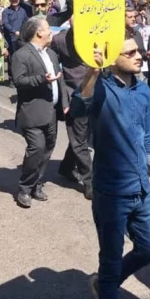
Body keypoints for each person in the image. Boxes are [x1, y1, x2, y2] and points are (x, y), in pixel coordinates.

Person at [71, 38, 150, 299]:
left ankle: (104, 283)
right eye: (130, 52)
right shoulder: (101, 89)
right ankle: (108, 286)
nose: (139, 56)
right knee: (110, 262)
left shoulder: (143, 90)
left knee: (148, 250)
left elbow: (147, 135)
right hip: (111, 192)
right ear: (113, 58)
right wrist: (93, 71)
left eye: (139, 50)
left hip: (142, 188)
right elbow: (77, 107)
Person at [10, 16, 62, 209]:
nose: (51, 33)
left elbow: (60, 80)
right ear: (39, 32)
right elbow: (19, 81)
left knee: (48, 149)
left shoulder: (52, 54)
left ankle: (37, 184)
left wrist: (64, 103)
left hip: (51, 112)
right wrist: (41, 79)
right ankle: (24, 187)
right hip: (32, 112)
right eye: (48, 29)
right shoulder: (21, 55)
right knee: (36, 148)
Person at [50, 21, 94, 200]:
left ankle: (66, 167)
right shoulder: (59, 40)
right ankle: (90, 181)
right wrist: (64, 97)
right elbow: (55, 69)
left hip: (96, 92)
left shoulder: (96, 36)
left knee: (82, 136)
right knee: (79, 140)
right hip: (74, 96)